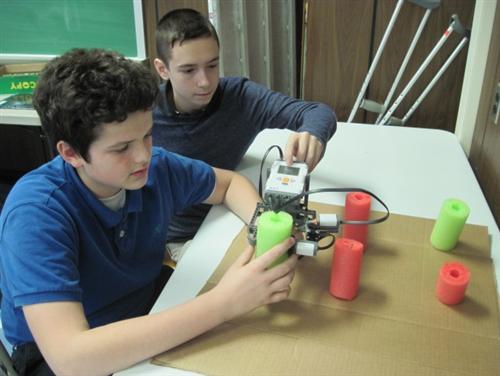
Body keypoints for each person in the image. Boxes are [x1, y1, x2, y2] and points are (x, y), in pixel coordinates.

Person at [0, 48, 298, 375]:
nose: (143, 156)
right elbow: (71, 358)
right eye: (122, 148)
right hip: (62, 351)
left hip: (143, 303)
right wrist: (223, 303)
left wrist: (265, 225)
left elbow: (229, 185)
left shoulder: (154, 168)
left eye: (147, 135)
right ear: (71, 153)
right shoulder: (36, 214)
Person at [153, 8, 337, 261]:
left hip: (234, 210)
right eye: (188, 70)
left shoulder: (240, 97)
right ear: (163, 69)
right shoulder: (143, 116)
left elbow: (318, 112)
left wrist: (312, 133)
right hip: (185, 234)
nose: (205, 81)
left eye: (212, 65)